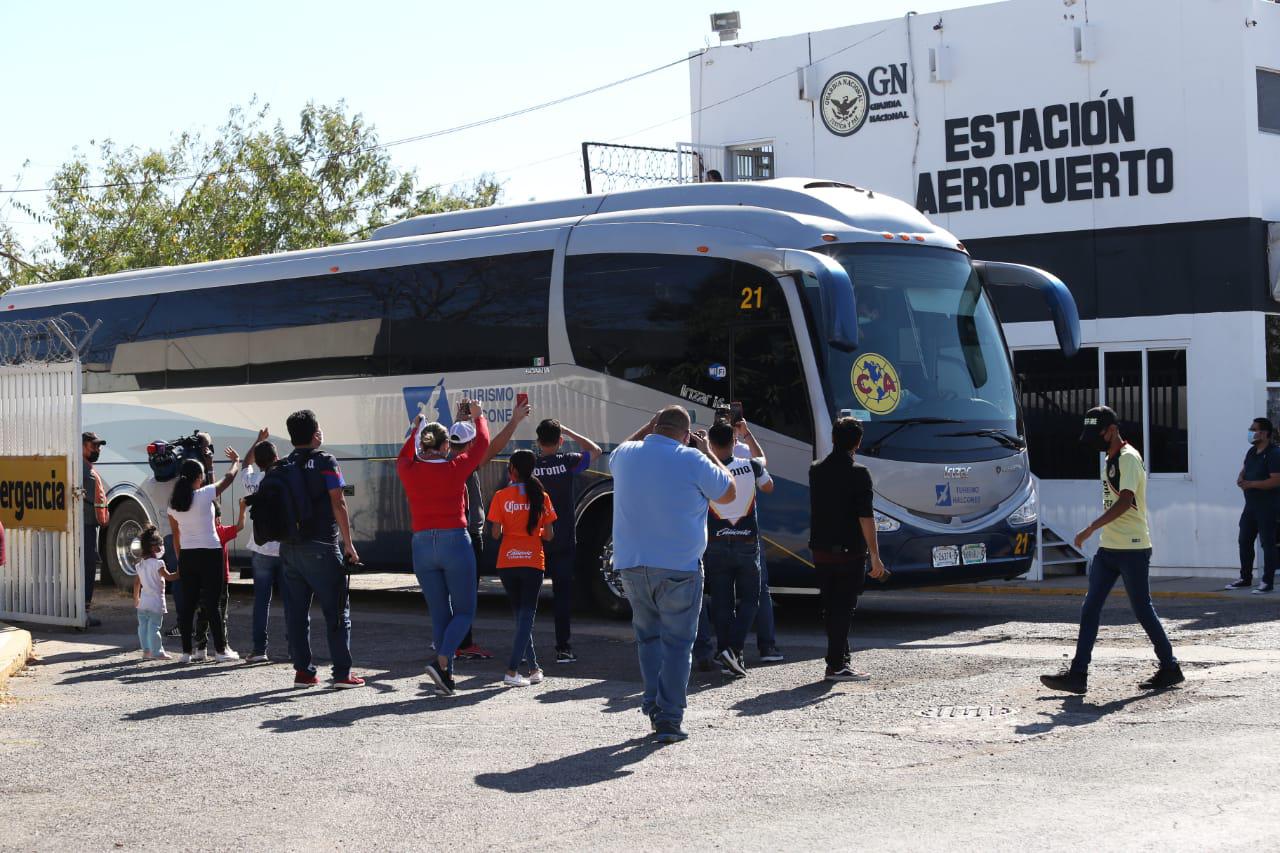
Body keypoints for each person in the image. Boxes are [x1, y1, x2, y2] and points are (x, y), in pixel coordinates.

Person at [610, 405, 735, 743]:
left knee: (648, 639)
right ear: (685, 435)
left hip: (632, 565)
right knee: (678, 645)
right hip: (679, 566)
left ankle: (653, 705)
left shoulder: (625, 455)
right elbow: (729, 493)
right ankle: (668, 719)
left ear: (654, 427)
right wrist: (708, 451)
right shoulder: (692, 459)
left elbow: (622, 448)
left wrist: (647, 426)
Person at [1041, 406, 1184, 694]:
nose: (1095, 440)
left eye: (1098, 434)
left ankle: (1170, 667)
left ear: (1112, 430)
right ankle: (1078, 675)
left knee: (1142, 610)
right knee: (1090, 608)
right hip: (1109, 548)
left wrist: (1090, 528)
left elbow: (1125, 502)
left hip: (1132, 549)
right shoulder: (1111, 457)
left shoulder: (1128, 458)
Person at [396, 400, 491, 696]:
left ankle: (446, 675)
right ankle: (441, 662)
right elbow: (482, 444)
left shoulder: (409, 469)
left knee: (440, 613)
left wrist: (415, 429)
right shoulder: (455, 467)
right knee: (464, 611)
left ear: (423, 445)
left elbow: (404, 455)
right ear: (446, 446)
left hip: (422, 545)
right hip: (454, 541)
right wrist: (479, 417)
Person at [279, 409, 365, 689]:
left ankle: (303, 673)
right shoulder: (326, 461)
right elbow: (338, 502)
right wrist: (349, 544)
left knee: (296, 615)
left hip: (289, 548)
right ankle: (342, 674)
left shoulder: (283, 464)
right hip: (322, 546)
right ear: (315, 433)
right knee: (337, 612)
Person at [808, 416, 888, 682]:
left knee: (831, 606)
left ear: (833, 438)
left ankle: (841, 659)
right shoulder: (859, 473)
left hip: (821, 549)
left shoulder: (816, 470)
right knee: (844, 608)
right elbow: (866, 517)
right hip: (849, 551)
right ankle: (836, 665)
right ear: (858, 442)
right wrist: (875, 556)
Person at [453, 402, 530, 661]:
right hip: (468, 534)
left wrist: (460, 421)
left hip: (447, 533)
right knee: (466, 592)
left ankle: (448, 639)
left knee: (452, 591)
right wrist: (514, 421)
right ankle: (463, 644)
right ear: (468, 445)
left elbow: (461, 441)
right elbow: (493, 445)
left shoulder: (445, 460)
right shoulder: (465, 463)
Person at [703, 421, 774, 677]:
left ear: (710, 444)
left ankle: (727, 654)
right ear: (734, 442)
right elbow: (769, 487)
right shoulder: (751, 465)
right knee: (751, 600)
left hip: (716, 542)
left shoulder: (706, 469)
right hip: (747, 542)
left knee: (722, 603)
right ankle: (733, 649)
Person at [533, 417, 602, 663]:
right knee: (562, 596)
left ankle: (525, 650)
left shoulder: (531, 465)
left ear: (538, 441)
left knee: (529, 597)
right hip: (563, 540)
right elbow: (595, 450)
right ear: (560, 441)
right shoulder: (567, 462)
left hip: (535, 541)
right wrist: (569, 431)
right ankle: (563, 648)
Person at [488, 450, 557, 687]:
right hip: (532, 561)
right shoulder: (542, 496)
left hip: (507, 561)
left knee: (521, 617)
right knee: (526, 617)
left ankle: (534, 667)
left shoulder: (500, 496)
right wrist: (534, 531)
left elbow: (495, 533)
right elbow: (549, 535)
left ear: (513, 471)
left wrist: (512, 529)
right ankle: (511, 671)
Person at [168, 454, 241, 664]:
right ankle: (220, 650)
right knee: (212, 604)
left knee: (188, 606)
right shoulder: (204, 494)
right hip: (210, 553)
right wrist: (236, 462)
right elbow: (228, 478)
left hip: (187, 555)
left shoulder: (173, 504)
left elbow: (176, 536)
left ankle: (186, 653)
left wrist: (180, 560)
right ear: (199, 477)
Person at [242, 429, 290, 662]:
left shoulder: (253, 482)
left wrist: (257, 441)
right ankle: (295, 648)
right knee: (292, 601)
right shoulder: (284, 480)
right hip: (286, 548)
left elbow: (245, 464)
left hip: (261, 549)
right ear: (276, 458)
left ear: (259, 462)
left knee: (261, 602)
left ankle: (259, 650)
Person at [1227, 417, 1280, 593]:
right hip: (1250, 506)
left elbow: (1276, 480)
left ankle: (1267, 582)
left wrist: (1251, 484)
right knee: (1244, 541)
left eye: (1253, 429)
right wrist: (1241, 478)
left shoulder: (1274, 454)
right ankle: (1245, 578)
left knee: (1267, 544)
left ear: (1264, 434)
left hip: (1268, 506)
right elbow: (1245, 469)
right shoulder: (1252, 452)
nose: (1250, 432)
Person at [133, 524, 176, 661]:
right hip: (156, 603)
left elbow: (136, 583)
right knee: (154, 628)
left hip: (143, 603)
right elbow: (169, 577)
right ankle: (157, 652)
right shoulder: (158, 564)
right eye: (159, 545)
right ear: (153, 547)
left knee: (143, 628)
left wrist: (136, 599)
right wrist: (181, 573)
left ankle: (146, 651)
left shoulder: (140, 565)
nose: (161, 548)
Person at [82, 432, 109, 626]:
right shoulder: (88, 473)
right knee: (88, 569)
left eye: (99, 446)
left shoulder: (76, 466)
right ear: (82, 446)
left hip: (80, 526)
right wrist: (104, 519)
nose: (97, 450)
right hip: (87, 527)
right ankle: (83, 613)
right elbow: (97, 504)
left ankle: (76, 612)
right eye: (94, 446)